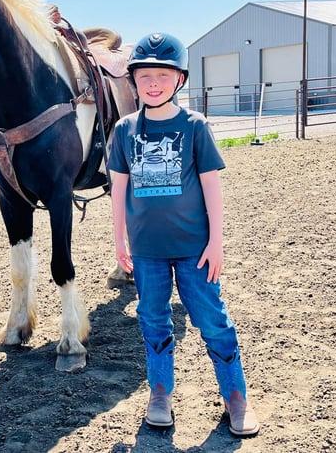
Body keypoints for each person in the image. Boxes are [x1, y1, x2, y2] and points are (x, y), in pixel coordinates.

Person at [107, 33, 260, 436]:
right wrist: (119, 241)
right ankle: (160, 393)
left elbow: (211, 186)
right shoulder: (124, 131)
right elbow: (119, 189)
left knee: (212, 320)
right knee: (153, 320)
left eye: (162, 75)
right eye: (144, 76)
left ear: (179, 80)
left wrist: (216, 242)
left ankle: (236, 397)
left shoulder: (194, 126)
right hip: (147, 252)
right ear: (133, 81)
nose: (152, 83)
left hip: (195, 248)